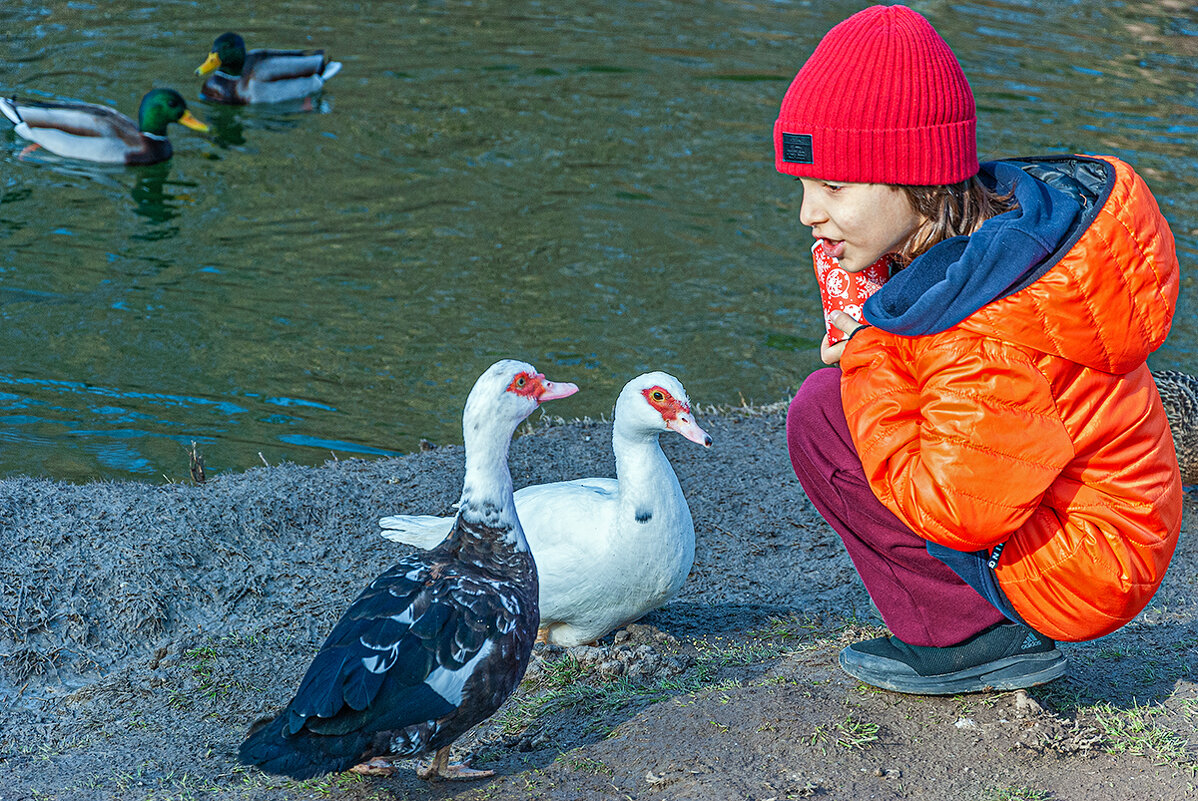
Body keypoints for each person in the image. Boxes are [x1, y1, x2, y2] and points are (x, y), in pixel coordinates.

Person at [776, 4, 1182, 694]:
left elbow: (955, 507)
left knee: (822, 416)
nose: (810, 212)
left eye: (834, 187)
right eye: (806, 187)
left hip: (1085, 561)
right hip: (1096, 520)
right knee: (832, 406)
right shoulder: (989, 240)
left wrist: (870, 355)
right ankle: (975, 620)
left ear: (913, 173)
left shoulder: (984, 321)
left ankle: (973, 637)